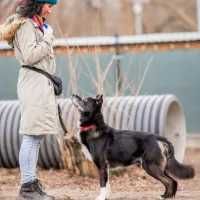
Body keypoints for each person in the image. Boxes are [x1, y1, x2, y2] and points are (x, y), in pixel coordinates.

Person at [10, 0, 59, 199]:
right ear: (38, 4)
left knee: (37, 135)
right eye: (48, 4)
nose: (50, 8)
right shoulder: (26, 25)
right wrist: (48, 38)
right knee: (31, 135)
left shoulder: (37, 24)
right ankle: (27, 186)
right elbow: (30, 55)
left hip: (41, 84)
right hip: (33, 85)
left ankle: (31, 183)